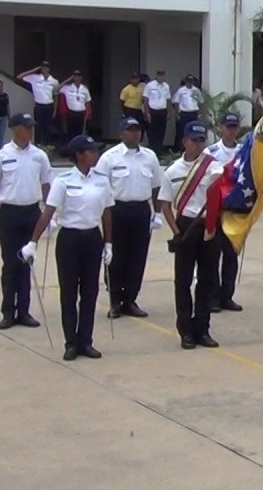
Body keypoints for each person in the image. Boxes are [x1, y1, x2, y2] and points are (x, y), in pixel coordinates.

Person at [20, 134, 114, 361]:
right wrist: (33, 242)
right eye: (91, 151)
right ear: (79, 155)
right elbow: (48, 213)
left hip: (92, 238)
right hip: (70, 239)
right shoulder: (63, 181)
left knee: (90, 292)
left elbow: (107, 212)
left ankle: (86, 341)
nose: (96, 154)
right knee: (69, 293)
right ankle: (71, 342)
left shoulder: (101, 180)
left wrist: (108, 243)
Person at [0, 112, 53, 330]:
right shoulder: (0, 156)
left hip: (32, 213)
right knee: (11, 264)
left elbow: (47, 185)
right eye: (27, 126)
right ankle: (8, 312)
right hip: (10, 214)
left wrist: (50, 216)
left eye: (32, 126)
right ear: (15, 129)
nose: (31, 130)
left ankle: (24, 311)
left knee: (27, 263)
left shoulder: (39, 155)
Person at [160, 121, 224, 349]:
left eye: (201, 141)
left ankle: (203, 329)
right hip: (185, 224)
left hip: (209, 225)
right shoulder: (172, 171)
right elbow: (165, 205)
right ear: (184, 141)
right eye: (193, 140)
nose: (197, 145)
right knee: (183, 281)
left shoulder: (213, 166)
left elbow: (221, 182)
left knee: (207, 280)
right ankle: (186, 331)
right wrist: (176, 231)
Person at [96, 117, 164, 320]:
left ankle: (131, 299)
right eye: (130, 130)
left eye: (137, 130)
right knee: (116, 257)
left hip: (141, 210)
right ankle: (115, 300)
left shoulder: (150, 157)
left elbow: (156, 186)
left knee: (137, 257)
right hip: (117, 210)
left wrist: (157, 213)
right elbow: (100, 187)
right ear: (121, 133)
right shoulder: (109, 158)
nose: (135, 133)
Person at [206, 112, 247, 311]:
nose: (231, 130)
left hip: (236, 210)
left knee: (231, 256)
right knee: (212, 256)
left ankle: (227, 296)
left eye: (234, 127)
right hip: (217, 210)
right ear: (220, 128)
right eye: (227, 126)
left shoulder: (244, 152)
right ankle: (212, 296)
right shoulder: (211, 152)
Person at [18, 62, 60, 146]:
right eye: (43, 67)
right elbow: (20, 77)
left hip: (49, 105)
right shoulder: (34, 78)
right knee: (38, 126)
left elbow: (56, 96)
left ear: (49, 69)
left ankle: (47, 146)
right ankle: (38, 144)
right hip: (39, 105)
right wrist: (34, 70)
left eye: (47, 67)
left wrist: (55, 110)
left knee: (48, 127)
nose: (45, 69)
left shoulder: (54, 81)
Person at [142, 70, 172, 152]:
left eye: (163, 75)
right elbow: (145, 100)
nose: (161, 77)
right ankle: (152, 150)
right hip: (153, 111)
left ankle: (159, 151)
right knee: (152, 132)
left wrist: (169, 111)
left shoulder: (166, 86)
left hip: (163, 111)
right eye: (160, 75)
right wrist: (147, 112)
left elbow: (168, 99)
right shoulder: (150, 85)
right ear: (157, 76)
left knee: (161, 132)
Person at [171, 75, 202, 147]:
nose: (189, 82)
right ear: (186, 81)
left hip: (194, 113)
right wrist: (177, 114)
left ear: (193, 82)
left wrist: (200, 114)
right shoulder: (181, 90)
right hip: (184, 113)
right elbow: (176, 102)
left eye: (191, 81)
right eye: (188, 81)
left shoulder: (196, 90)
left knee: (194, 131)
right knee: (183, 132)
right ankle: (182, 148)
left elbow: (201, 102)